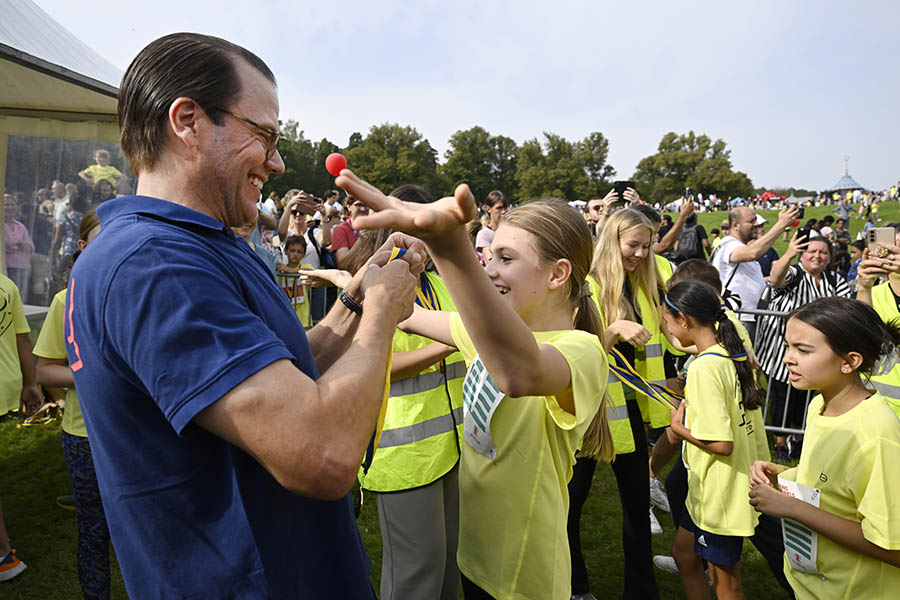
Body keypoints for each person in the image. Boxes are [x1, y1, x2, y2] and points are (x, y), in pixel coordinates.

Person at [65, 33, 421, 598]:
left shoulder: (196, 243)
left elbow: (282, 370)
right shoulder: (156, 263)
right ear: (187, 121)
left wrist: (353, 299)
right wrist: (382, 311)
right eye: (265, 136)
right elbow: (321, 454)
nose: (277, 161)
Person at [336, 172, 614, 600]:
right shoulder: (487, 334)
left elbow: (518, 375)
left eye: (505, 258)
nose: (488, 266)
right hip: (477, 559)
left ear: (558, 274)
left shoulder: (582, 351)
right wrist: (365, 276)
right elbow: (406, 313)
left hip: (525, 576)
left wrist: (450, 249)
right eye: (485, 255)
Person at [355, 184, 466, 600]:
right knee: (416, 575)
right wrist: (451, 342)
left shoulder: (437, 283)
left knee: (450, 564)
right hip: (403, 453)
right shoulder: (374, 284)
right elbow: (373, 364)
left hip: (453, 447)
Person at [749, 297, 900, 599]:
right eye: (788, 345)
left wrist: (792, 508)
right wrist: (785, 475)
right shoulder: (820, 403)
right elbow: (836, 485)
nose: (787, 358)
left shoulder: (876, 434)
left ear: (850, 361)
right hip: (812, 586)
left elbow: (891, 548)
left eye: (803, 350)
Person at [569, 208, 672, 600]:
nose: (641, 254)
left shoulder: (646, 285)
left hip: (630, 411)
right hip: (587, 413)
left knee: (636, 502)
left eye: (647, 246)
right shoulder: (586, 287)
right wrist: (612, 330)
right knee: (572, 502)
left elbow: (669, 340)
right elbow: (573, 355)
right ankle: (576, 588)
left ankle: (642, 592)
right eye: (634, 245)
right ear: (612, 241)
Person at [663, 280, 769, 600]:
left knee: (727, 584)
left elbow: (723, 445)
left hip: (720, 494)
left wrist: (679, 430)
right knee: (684, 553)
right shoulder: (730, 352)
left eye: (667, 322)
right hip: (713, 490)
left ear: (684, 319)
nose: (667, 329)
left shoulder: (704, 368)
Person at [34, 208, 112, 599]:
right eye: (103, 237)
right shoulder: (65, 300)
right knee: (94, 530)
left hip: (137, 433)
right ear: (82, 247)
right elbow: (46, 372)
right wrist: (94, 373)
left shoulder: (135, 292)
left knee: (146, 529)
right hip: (84, 437)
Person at [757, 234, 852, 462]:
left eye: (823, 252)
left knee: (807, 398)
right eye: (812, 251)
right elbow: (777, 278)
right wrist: (789, 253)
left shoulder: (834, 280)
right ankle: (780, 442)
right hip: (781, 352)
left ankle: (798, 440)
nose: (817, 256)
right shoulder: (795, 273)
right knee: (781, 396)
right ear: (803, 254)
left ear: (830, 258)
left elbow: (846, 306)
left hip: (818, 354)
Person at [710, 206, 799, 342]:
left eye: (756, 220)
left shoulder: (739, 246)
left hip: (748, 318)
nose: (756, 224)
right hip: (738, 319)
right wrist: (781, 225)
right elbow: (751, 253)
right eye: (751, 221)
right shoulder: (728, 244)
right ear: (735, 225)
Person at [3, 193, 34, 299]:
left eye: (12, 205)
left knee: (19, 299)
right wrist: (17, 244)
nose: (9, 207)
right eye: (6, 205)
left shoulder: (20, 226)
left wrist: (15, 244)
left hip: (22, 268)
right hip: (6, 269)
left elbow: (30, 248)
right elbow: (3, 245)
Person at [331, 195, 370, 266]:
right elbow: (344, 262)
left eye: (366, 205)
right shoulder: (340, 230)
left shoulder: (374, 229)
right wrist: (362, 239)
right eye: (358, 205)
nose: (363, 209)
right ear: (349, 207)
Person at [473, 190, 508, 263]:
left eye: (505, 207)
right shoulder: (484, 234)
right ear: (488, 209)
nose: (504, 211)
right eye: (499, 208)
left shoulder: (511, 232)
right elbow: (491, 262)